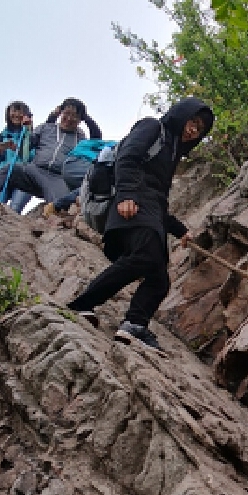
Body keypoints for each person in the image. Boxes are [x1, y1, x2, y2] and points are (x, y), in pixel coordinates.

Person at [68, 96, 214, 350]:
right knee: (145, 257)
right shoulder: (152, 127)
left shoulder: (171, 153)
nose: (193, 130)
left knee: (159, 280)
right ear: (181, 115)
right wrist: (126, 195)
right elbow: (127, 157)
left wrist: (179, 230)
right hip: (130, 209)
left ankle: (134, 325)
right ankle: (82, 304)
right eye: (193, 122)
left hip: (146, 213)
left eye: (200, 129)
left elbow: (158, 200)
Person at [0, 97, 100, 211]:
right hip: (34, 171)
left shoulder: (81, 138)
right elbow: (27, 148)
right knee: (10, 169)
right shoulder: (46, 128)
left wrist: (87, 118)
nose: (69, 119)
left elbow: (96, 139)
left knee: (60, 206)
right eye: (66, 113)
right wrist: (27, 130)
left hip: (58, 178)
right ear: (61, 113)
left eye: (74, 116)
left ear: (80, 120)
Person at [0, 100, 33, 211]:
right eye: (14, 111)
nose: (17, 115)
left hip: (24, 177)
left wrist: (20, 149)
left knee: (15, 208)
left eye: (20, 112)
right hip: (2, 175)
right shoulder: (2, 136)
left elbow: (31, 158)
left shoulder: (32, 136)